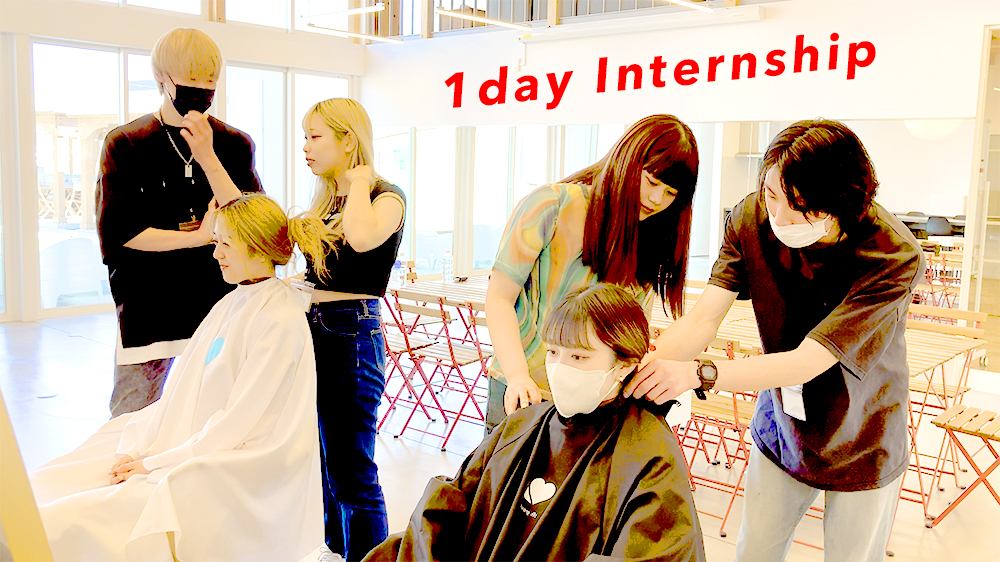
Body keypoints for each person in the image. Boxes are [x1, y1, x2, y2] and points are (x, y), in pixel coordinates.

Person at [625, 119, 923, 561]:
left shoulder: (891, 255)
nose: (779, 217)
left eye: (800, 206)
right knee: (755, 550)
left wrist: (697, 374)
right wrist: (632, 376)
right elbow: (705, 317)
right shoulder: (751, 218)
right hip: (783, 424)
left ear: (841, 202)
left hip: (863, 433)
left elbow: (808, 361)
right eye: (771, 195)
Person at [30, 193, 338, 561]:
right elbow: (184, 391)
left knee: (67, 517)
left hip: (236, 463)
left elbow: (238, 424)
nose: (216, 253)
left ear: (257, 249)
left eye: (225, 244)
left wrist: (152, 463)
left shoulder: (278, 319)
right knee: (60, 474)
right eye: (216, 242)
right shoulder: (235, 301)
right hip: (193, 441)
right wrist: (142, 444)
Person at [364, 283, 704, 562]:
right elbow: (445, 511)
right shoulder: (520, 427)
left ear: (625, 364)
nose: (560, 368)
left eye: (579, 357)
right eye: (553, 352)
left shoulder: (650, 457)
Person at [485, 114, 699, 431]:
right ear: (626, 161)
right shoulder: (552, 206)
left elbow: (629, 336)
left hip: (598, 402)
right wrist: (517, 375)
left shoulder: (653, 236)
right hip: (526, 391)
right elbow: (499, 298)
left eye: (670, 194)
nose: (656, 200)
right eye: (652, 182)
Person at [96, 27, 262, 418]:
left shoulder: (235, 143)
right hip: (148, 305)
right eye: (191, 78)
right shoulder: (127, 142)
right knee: (133, 416)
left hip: (217, 301)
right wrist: (198, 237)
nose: (202, 88)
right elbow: (120, 232)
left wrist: (208, 156)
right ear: (162, 78)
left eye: (210, 79)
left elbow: (252, 218)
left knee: (215, 414)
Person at [300, 98, 406, 560]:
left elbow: (362, 240)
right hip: (318, 328)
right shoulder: (328, 199)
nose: (306, 147)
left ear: (347, 140)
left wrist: (359, 180)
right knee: (328, 462)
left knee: (351, 467)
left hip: (351, 332)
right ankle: (336, 549)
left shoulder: (385, 197)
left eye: (315, 136)